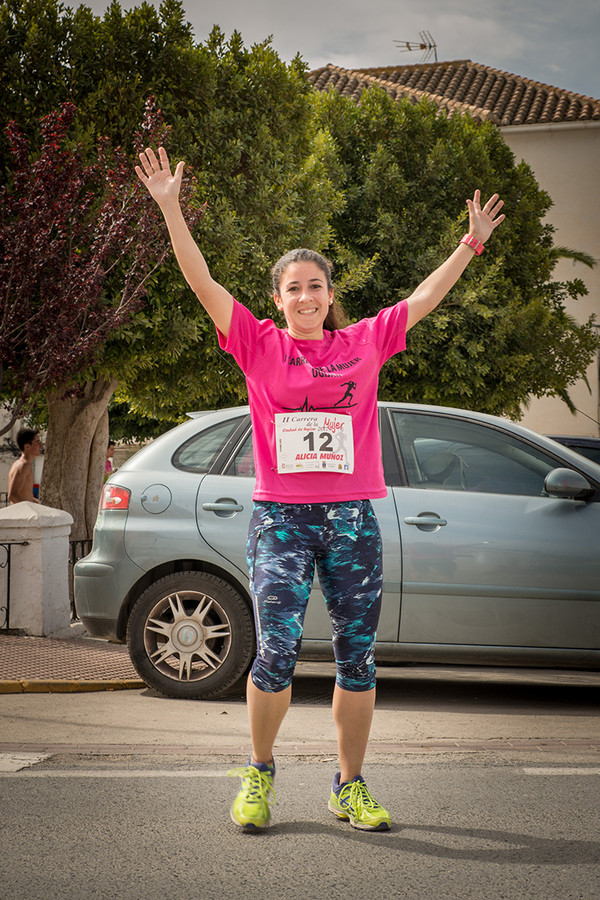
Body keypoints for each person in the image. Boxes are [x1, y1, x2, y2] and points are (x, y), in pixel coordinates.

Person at [136, 146, 505, 833]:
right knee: (274, 649)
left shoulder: (366, 342)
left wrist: (470, 244)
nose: (305, 296)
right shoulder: (257, 345)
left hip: (352, 519)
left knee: (356, 654)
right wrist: (168, 206)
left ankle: (350, 784)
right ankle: (259, 772)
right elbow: (201, 279)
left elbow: (424, 298)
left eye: (316, 286)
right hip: (280, 518)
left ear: (330, 295)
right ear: (277, 300)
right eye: (293, 287)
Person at [8, 428, 43, 504]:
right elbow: (12, 495)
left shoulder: (19, 464)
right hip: (21, 514)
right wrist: (28, 510)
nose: (41, 445)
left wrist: (40, 504)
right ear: (27, 446)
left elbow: (26, 497)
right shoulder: (24, 465)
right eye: (37, 442)